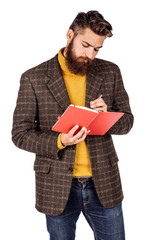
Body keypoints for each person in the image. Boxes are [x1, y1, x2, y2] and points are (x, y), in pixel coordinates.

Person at [12, 10, 134, 240]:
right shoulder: (34, 77)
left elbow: (127, 122)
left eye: (97, 49)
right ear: (70, 35)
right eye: (85, 45)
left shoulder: (110, 72)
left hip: (104, 183)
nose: (90, 54)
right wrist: (60, 140)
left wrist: (108, 115)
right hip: (57, 185)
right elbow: (20, 134)